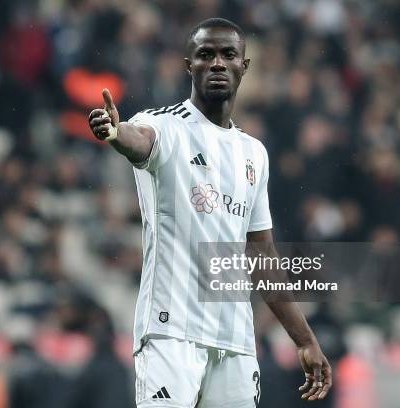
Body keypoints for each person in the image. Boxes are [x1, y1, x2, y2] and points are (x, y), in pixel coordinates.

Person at [88, 17, 332, 408]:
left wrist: (305, 339)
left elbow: (262, 256)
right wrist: (117, 133)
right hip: (171, 334)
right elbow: (139, 142)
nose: (217, 63)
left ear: (244, 66)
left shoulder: (254, 153)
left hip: (235, 341)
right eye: (206, 55)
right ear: (189, 65)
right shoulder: (163, 126)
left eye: (228, 54)